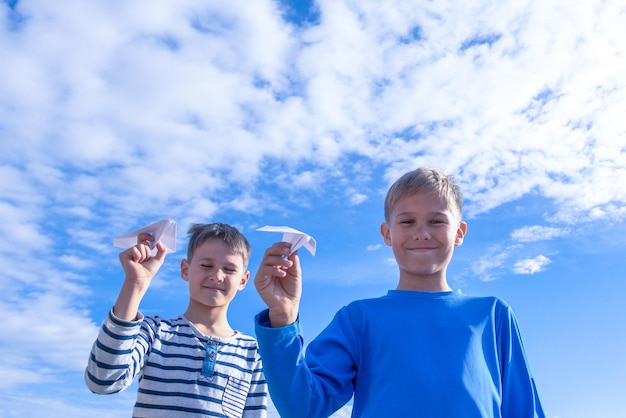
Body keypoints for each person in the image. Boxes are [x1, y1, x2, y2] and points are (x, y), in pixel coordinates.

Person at [253, 167, 545, 417]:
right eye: (407, 221)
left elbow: (523, 409)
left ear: (459, 232)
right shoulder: (359, 319)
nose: (421, 232)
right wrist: (283, 316)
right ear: (387, 233)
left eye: (437, 221)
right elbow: (302, 407)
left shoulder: (493, 316)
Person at [85, 223, 267, 417]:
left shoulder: (253, 353)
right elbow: (102, 381)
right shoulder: (155, 332)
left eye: (229, 269)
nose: (217, 276)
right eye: (206, 265)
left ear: (243, 280)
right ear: (185, 270)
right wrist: (135, 283)